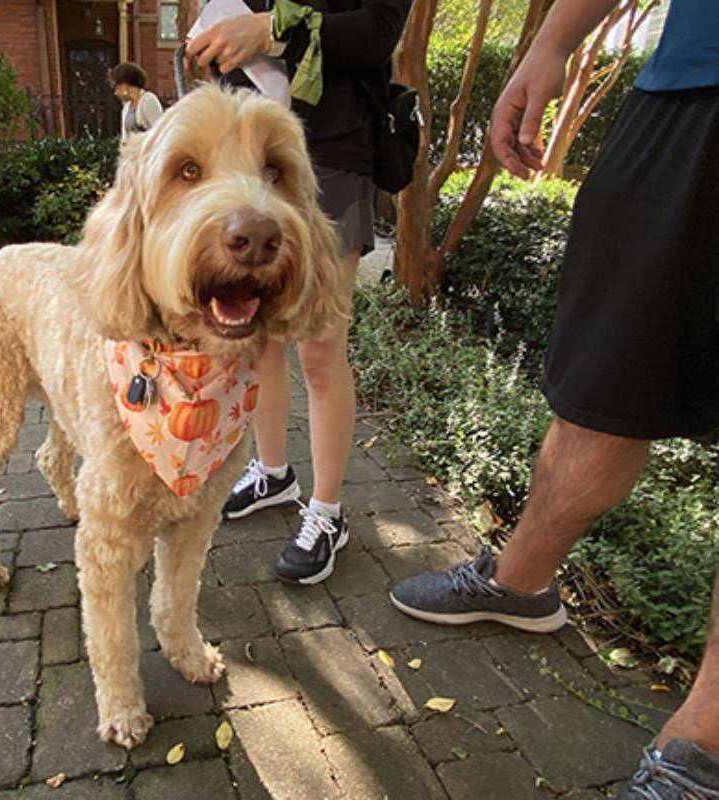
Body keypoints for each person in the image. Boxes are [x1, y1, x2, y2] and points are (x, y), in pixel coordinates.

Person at [389, 1, 719, 797]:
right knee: (600, 381)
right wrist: (550, 40)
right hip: (682, 89)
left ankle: (703, 744)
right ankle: (520, 580)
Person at [187, 0, 411, 585]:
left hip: (330, 153)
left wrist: (265, 29)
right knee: (256, 336)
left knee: (318, 347)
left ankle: (328, 511)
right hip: (250, 150)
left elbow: (379, 31)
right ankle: (273, 472)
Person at [108, 62, 163, 139]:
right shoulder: (126, 107)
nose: (116, 93)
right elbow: (125, 138)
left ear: (125, 84)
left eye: (117, 87)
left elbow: (160, 131)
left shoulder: (148, 100)